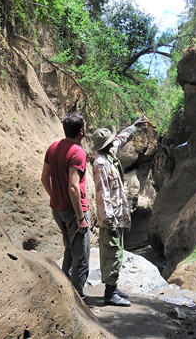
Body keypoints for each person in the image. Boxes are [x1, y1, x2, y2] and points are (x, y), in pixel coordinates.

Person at [91, 113, 146, 306]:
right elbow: (102, 194)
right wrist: (109, 221)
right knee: (111, 253)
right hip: (111, 218)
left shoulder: (109, 153)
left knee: (118, 252)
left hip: (118, 215)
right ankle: (109, 294)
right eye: (110, 140)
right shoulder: (100, 164)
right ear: (104, 144)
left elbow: (121, 139)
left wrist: (134, 125)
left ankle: (113, 287)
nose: (114, 141)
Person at [41, 112, 90, 299]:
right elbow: (73, 186)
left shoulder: (53, 147)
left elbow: (44, 178)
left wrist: (56, 198)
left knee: (69, 251)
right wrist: (80, 217)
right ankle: (77, 300)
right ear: (81, 132)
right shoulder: (77, 152)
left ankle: (63, 292)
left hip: (58, 210)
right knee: (81, 257)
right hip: (73, 212)